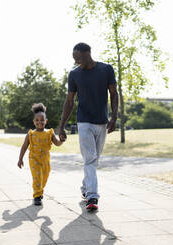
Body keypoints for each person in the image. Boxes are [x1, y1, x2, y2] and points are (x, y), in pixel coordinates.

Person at [59, 42, 118, 211]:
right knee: (90, 159)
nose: (76, 62)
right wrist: (62, 126)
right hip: (84, 122)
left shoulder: (106, 69)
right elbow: (69, 101)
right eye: (74, 59)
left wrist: (114, 117)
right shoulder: (74, 74)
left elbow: (114, 94)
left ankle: (85, 187)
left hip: (102, 121)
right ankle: (92, 197)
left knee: (94, 159)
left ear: (87, 54)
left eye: (78, 58)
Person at [18, 103, 64, 206]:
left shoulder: (50, 133)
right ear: (34, 122)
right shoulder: (31, 134)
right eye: (37, 120)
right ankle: (37, 196)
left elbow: (57, 143)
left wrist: (62, 140)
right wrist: (20, 159)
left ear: (46, 121)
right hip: (33, 159)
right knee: (37, 177)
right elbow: (24, 146)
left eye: (42, 120)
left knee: (45, 176)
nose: (40, 122)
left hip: (45, 160)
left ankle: (40, 190)